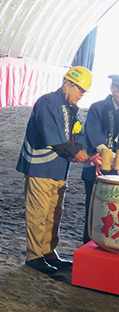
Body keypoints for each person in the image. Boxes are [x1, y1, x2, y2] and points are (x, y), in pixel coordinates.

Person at [16, 66, 92, 274]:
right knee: (38, 213)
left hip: (59, 169)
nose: (81, 95)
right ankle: (35, 256)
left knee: (53, 214)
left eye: (84, 92)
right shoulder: (47, 102)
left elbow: (79, 131)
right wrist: (76, 153)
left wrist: (80, 148)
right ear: (67, 83)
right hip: (40, 167)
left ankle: (49, 252)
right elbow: (54, 138)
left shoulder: (70, 108)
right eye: (80, 90)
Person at [81, 74, 119, 244]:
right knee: (94, 209)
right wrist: (111, 157)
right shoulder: (98, 107)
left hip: (117, 169)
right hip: (98, 168)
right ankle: (88, 243)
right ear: (113, 89)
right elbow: (95, 136)